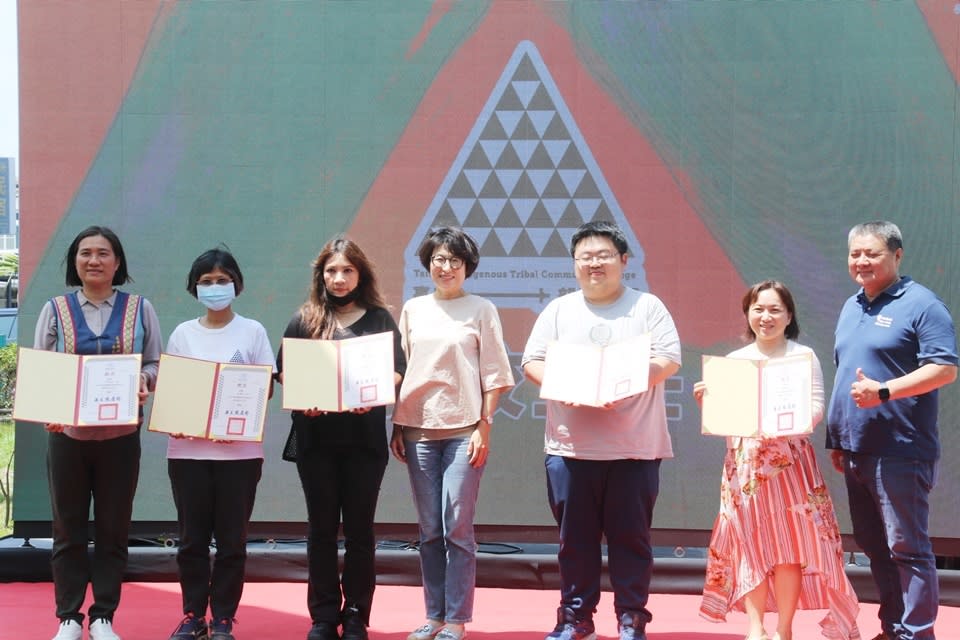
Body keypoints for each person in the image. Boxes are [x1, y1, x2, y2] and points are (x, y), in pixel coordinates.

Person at [521, 221, 681, 640]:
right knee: (575, 543)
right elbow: (532, 362)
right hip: (570, 450)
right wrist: (565, 384)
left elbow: (669, 358)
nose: (595, 264)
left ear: (624, 261)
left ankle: (631, 617)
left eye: (604, 255)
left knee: (633, 541)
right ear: (574, 265)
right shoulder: (559, 310)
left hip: (634, 449)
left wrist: (626, 381)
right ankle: (575, 619)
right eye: (585, 257)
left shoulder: (647, 307)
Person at [695, 280, 860, 640]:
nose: (765, 317)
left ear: (788, 316)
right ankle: (756, 627)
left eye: (774, 310)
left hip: (790, 465)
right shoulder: (734, 362)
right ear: (747, 314)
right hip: (745, 467)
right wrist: (709, 404)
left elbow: (816, 407)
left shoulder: (802, 357)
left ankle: (784, 628)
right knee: (750, 545)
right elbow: (725, 416)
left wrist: (784, 425)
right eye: (758, 309)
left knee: (789, 548)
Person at [826, 221, 957, 640]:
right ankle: (893, 628)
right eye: (855, 254)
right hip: (856, 450)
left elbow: (944, 368)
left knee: (909, 549)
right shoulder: (852, 306)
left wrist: (884, 391)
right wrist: (837, 438)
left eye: (872, 253)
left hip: (901, 450)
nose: (861, 261)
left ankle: (917, 634)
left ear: (897, 256)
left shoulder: (923, 305)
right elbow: (846, 372)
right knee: (874, 546)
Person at [34, 226, 162, 640]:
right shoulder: (55, 309)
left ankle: (104, 615)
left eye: (103, 253)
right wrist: (48, 409)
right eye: (85, 253)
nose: (94, 260)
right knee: (67, 529)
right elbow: (43, 373)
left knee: (113, 529)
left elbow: (157, 364)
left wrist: (144, 379)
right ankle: (69, 617)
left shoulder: (141, 309)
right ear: (75, 262)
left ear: (117, 262)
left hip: (121, 439)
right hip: (68, 438)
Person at [277, 236, 406, 640]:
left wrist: (380, 389)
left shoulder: (380, 319)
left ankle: (355, 614)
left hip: (364, 444)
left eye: (347, 270)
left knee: (360, 532)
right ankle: (322, 615)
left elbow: (398, 369)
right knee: (320, 531)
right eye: (331, 270)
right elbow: (285, 371)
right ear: (321, 275)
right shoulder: (305, 319)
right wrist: (303, 399)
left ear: (360, 274)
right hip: (317, 442)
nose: (339, 278)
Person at [390, 227, 514, 640]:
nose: (446, 267)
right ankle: (434, 615)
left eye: (455, 261)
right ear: (428, 264)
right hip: (417, 430)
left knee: (457, 525)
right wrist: (397, 422)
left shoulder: (481, 309)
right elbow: (400, 370)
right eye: (439, 259)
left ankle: (457, 619)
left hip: (465, 431)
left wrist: (485, 425)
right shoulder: (412, 309)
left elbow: (496, 373)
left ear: (468, 267)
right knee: (429, 530)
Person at [163, 248, 276, 640]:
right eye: (206, 282)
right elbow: (173, 390)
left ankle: (224, 617)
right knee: (191, 540)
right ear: (194, 288)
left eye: (222, 280)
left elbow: (265, 389)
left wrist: (238, 414)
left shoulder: (253, 331)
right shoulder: (182, 334)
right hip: (188, 453)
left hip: (240, 455)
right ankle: (193, 615)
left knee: (232, 542)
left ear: (237, 284)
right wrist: (178, 418)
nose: (215, 288)